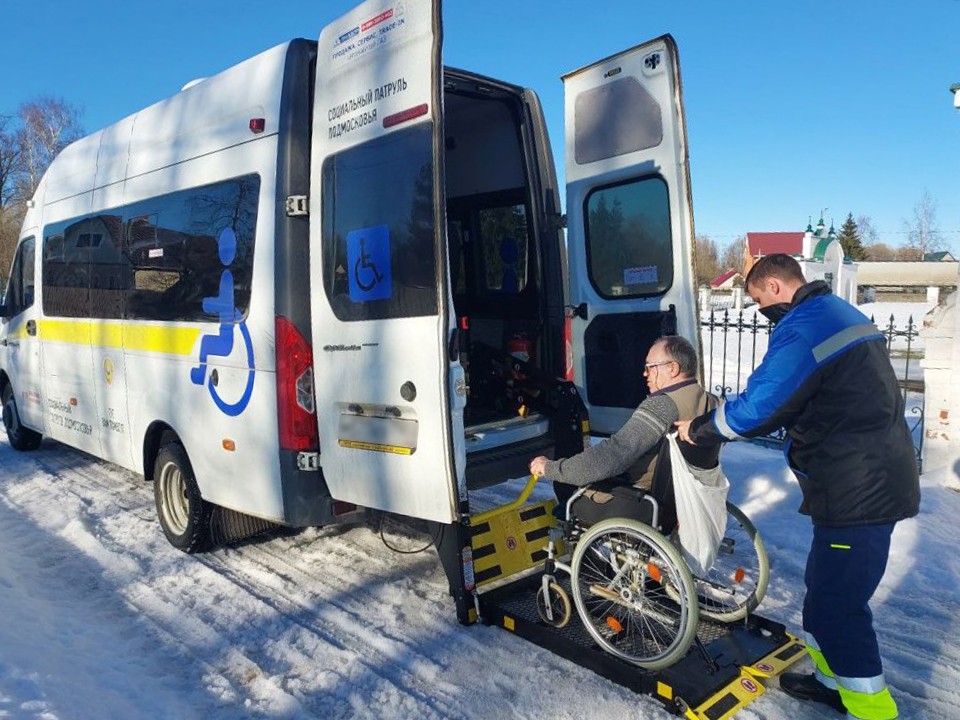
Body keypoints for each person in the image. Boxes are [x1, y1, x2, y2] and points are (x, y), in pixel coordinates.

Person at [676, 254, 919, 720]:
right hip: (863, 476)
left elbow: (760, 405)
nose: (760, 310)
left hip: (859, 487)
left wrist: (701, 429)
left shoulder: (804, 327)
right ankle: (833, 684)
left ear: (773, 286)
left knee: (836, 605)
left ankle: (874, 712)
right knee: (822, 588)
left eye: (757, 300)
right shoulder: (839, 312)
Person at [529, 335, 718, 531]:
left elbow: (615, 454)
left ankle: (588, 559)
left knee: (567, 487)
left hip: (637, 502)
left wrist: (553, 468)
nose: (645, 374)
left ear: (672, 368)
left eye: (650, 367)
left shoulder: (662, 405)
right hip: (682, 502)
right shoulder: (712, 403)